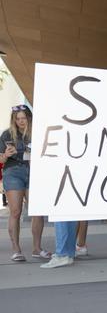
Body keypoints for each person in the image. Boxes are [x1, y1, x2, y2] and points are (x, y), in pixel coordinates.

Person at [0, 105, 51, 262]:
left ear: (29, 117)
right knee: (15, 211)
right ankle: (16, 250)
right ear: (14, 120)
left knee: (37, 210)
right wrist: (6, 155)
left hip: (34, 172)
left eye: (24, 118)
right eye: (18, 119)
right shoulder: (7, 134)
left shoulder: (38, 132)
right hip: (13, 171)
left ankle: (37, 248)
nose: (21, 121)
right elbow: (0, 159)